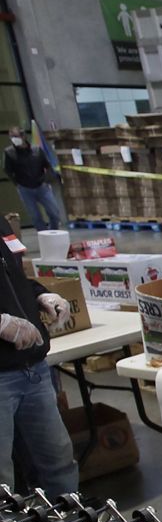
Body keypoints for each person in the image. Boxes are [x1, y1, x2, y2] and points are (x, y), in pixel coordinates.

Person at [0, 214, 78, 496]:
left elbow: (13, 278)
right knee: (2, 480)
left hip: (33, 368)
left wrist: (41, 295)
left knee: (58, 462)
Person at [4, 127, 61, 231]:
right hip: (25, 189)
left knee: (54, 212)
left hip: (41, 187)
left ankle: (53, 231)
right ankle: (44, 235)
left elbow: (47, 166)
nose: (13, 139)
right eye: (11, 137)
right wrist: (17, 183)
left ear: (23, 136)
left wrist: (45, 179)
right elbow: (7, 170)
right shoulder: (9, 152)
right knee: (35, 216)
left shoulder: (37, 150)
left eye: (16, 137)